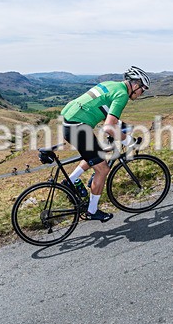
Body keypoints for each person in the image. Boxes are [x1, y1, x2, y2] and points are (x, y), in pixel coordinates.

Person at [60, 66, 151, 222]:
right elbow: (109, 128)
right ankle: (92, 211)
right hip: (78, 127)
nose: (142, 93)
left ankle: (71, 180)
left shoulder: (112, 85)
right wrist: (129, 142)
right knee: (103, 169)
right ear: (135, 85)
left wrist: (122, 127)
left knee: (98, 152)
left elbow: (104, 112)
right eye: (143, 89)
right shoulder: (122, 94)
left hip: (70, 123)